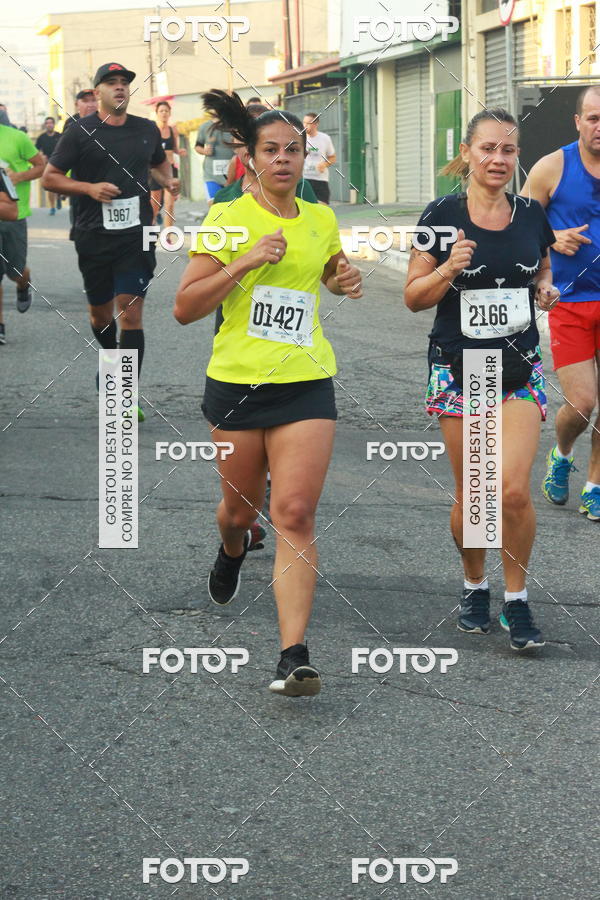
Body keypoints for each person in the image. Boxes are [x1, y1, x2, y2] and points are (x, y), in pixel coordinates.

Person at [174, 90, 363, 695]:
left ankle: (293, 655)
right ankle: (231, 548)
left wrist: (343, 279)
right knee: (240, 511)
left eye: (294, 150)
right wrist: (246, 261)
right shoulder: (228, 219)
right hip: (236, 384)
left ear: (308, 157)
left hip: (306, 380)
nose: (284, 159)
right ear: (251, 159)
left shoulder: (320, 218)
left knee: (296, 513)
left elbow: (329, 274)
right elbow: (185, 308)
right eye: (271, 150)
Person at [405, 108, 559, 652]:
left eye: (509, 151)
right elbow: (412, 297)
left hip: (518, 370)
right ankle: (475, 585)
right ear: (467, 152)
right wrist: (447, 269)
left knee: (512, 491)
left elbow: (541, 264)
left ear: (518, 158)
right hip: (459, 369)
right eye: (488, 148)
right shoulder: (441, 215)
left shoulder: (530, 213)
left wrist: (544, 288)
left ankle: (516, 600)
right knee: (476, 496)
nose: (498, 160)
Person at [41, 62, 179, 420]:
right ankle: (110, 363)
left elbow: (160, 164)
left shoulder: (146, 129)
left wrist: (168, 181)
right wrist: (87, 187)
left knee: (130, 312)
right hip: (93, 234)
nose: (119, 88)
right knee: (101, 314)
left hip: (136, 233)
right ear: (98, 91)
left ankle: (124, 392)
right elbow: (50, 178)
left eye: (124, 83)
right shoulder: (79, 132)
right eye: (111, 83)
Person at [521, 85, 600, 522]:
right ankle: (563, 452)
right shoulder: (553, 166)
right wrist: (551, 238)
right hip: (570, 301)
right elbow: (518, 227)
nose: (599, 127)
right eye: (593, 118)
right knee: (584, 402)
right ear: (578, 122)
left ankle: (595, 486)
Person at [0, 112, 44, 344]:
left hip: (13, 215)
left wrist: (19, 176)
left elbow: (41, 166)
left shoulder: (17, 137)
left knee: (15, 271)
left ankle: (23, 284)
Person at [149, 100, 186, 238]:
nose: (164, 113)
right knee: (155, 204)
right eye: (161, 111)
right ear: (157, 113)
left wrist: (179, 151)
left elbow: (174, 148)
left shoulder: (172, 130)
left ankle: (168, 235)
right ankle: (151, 228)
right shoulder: (152, 129)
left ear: (169, 113)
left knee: (170, 204)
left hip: (170, 170)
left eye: (166, 111)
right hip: (155, 170)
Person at [194, 112, 233, 204]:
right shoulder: (205, 126)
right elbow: (198, 146)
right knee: (214, 206)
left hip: (232, 175)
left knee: (230, 207)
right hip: (211, 175)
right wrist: (205, 151)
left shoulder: (234, 126)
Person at [302, 113, 336, 205]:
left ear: (316, 124)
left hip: (320, 180)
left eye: (308, 123)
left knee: (322, 208)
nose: (305, 125)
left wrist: (324, 164)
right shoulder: (299, 138)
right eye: (304, 122)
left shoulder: (325, 138)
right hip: (304, 178)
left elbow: (332, 157)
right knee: (305, 208)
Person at [35, 117, 62, 215]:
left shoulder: (60, 136)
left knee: (59, 185)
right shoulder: (41, 137)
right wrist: (42, 156)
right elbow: (35, 151)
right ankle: (52, 207)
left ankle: (59, 196)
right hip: (48, 165)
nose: (49, 125)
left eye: (51, 123)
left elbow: (67, 148)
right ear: (45, 125)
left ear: (54, 124)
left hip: (59, 163)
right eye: (47, 123)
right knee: (50, 186)